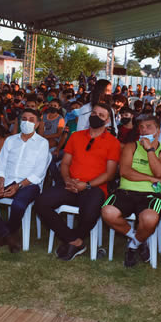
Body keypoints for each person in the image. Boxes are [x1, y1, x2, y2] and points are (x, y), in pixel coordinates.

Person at [35, 103, 120, 260]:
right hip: (71, 184)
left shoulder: (113, 142)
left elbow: (109, 174)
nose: (96, 116)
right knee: (41, 202)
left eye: (101, 115)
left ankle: (73, 242)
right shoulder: (76, 136)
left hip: (94, 188)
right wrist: (67, 180)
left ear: (108, 121)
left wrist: (86, 185)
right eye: (94, 113)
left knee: (89, 212)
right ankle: (75, 240)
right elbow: (65, 163)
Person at [102, 114, 161, 267]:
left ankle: (133, 246)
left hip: (153, 195)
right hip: (126, 191)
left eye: (148, 126)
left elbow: (158, 172)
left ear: (158, 131)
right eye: (141, 127)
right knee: (107, 212)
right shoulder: (131, 146)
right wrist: (150, 179)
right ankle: (137, 239)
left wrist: (149, 150)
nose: (143, 130)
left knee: (149, 219)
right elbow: (125, 172)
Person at [0, 108, 49, 253]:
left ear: (38, 123)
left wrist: (19, 186)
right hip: (6, 181)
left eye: (31, 119)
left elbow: (38, 172)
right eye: (24, 119)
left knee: (18, 205)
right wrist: (0, 181)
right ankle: (7, 235)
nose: (27, 122)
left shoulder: (42, 143)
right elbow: (0, 164)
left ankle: (4, 234)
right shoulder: (10, 140)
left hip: (29, 184)